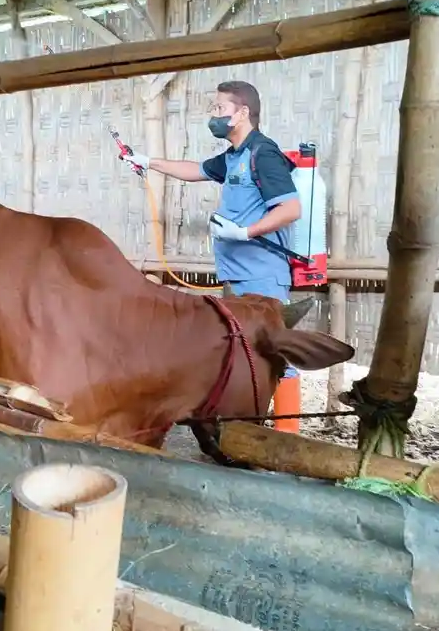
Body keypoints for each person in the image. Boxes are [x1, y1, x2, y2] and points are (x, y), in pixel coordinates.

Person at [119, 79, 305, 427]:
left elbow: (291, 208)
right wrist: (148, 162)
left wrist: (244, 231)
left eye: (220, 109)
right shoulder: (235, 156)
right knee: (244, 351)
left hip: (262, 273)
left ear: (243, 113)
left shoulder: (262, 153)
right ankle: (242, 428)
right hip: (235, 275)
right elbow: (196, 170)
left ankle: (287, 436)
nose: (214, 115)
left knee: (277, 353)